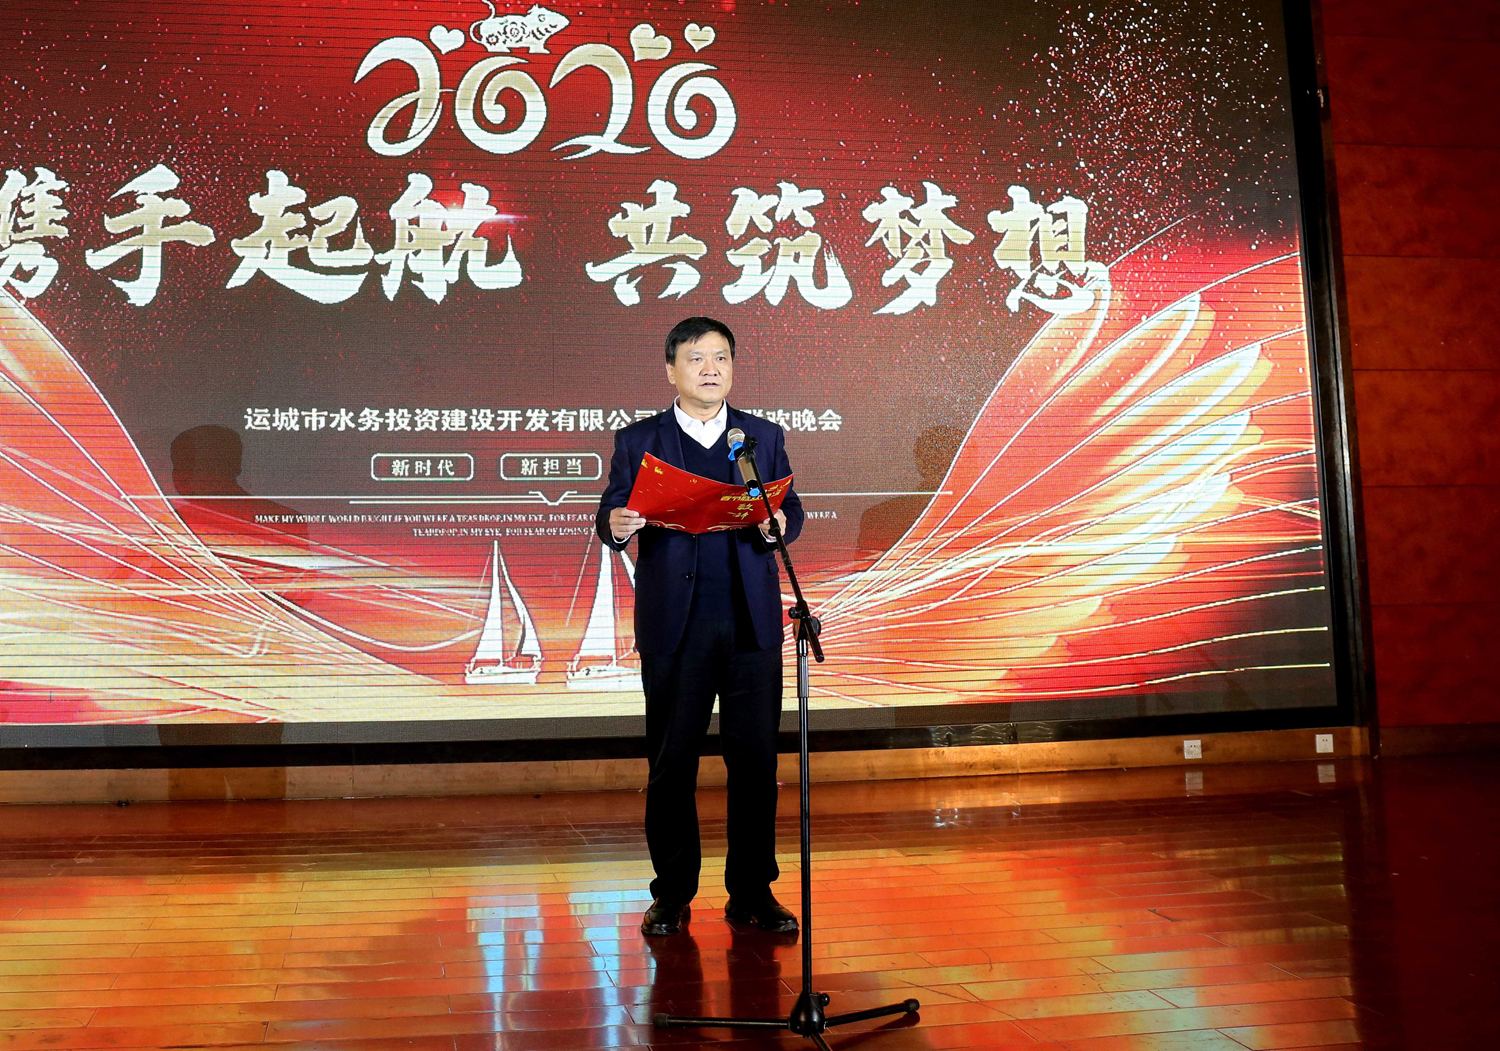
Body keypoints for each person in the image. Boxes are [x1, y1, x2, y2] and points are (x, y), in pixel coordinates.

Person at [595, 317, 805, 938]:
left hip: (750, 623)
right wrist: (617, 524)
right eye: (696, 358)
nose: (710, 368)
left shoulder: (760, 437)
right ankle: (672, 893)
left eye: (721, 357)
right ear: (671, 370)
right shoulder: (640, 440)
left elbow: (789, 507)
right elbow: (610, 510)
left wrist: (780, 525)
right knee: (672, 764)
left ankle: (752, 891)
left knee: (755, 764)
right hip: (675, 625)